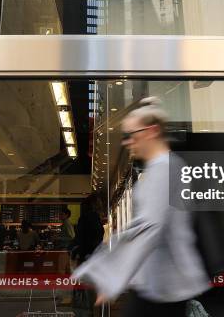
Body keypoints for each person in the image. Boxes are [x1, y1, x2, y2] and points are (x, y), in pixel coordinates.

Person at [72, 97, 210, 317]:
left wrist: (110, 276)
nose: (127, 142)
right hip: (159, 284)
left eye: (130, 135)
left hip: (162, 286)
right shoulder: (165, 167)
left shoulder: (164, 169)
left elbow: (149, 228)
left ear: (151, 131)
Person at [73, 196, 104, 264]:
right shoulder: (94, 218)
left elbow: (80, 236)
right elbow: (95, 236)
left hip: (87, 253)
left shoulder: (86, 217)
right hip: (91, 253)